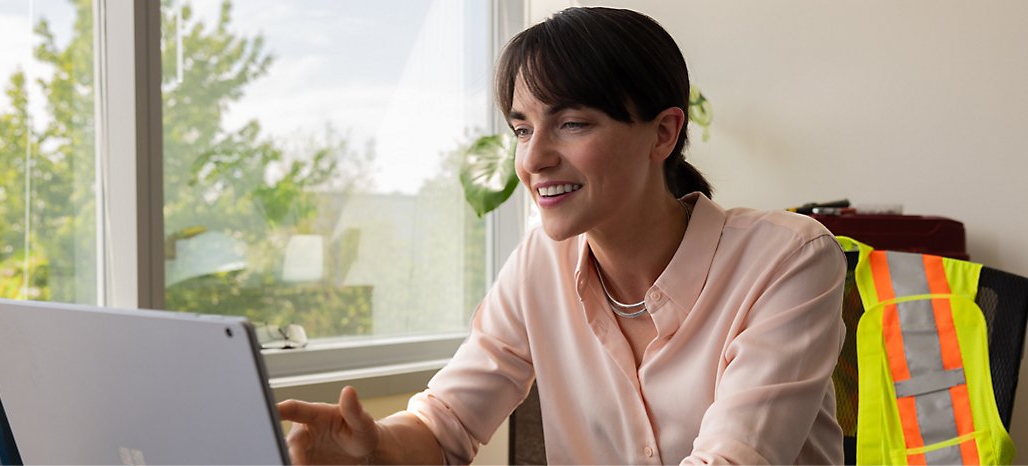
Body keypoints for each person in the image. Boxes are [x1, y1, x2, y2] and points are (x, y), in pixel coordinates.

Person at [278, 6, 846, 465]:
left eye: (571, 123)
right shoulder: (540, 263)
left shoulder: (789, 258)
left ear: (663, 133)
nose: (534, 158)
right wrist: (376, 449)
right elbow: (445, 421)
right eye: (522, 128)